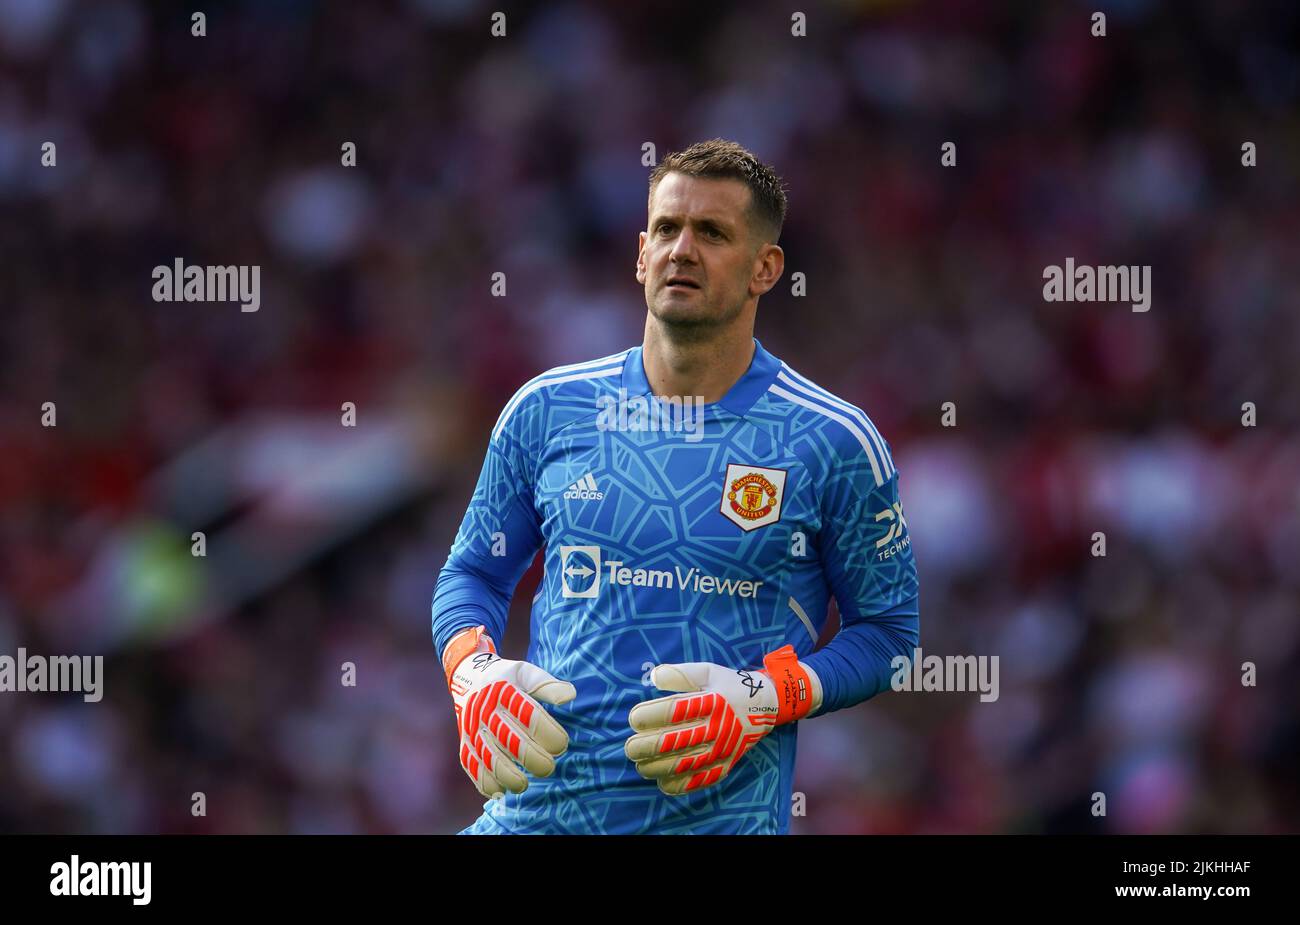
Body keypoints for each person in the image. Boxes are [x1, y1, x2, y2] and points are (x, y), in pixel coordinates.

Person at [432, 138, 920, 834]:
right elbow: (472, 572)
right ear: (640, 253)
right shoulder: (546, 410)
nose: (682, 250)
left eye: (713, 233)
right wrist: (471, 671)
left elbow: (889, 635)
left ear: (766, 267)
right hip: (531, 820)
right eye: (667, 229)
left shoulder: (833, 441)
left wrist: (764, 694)